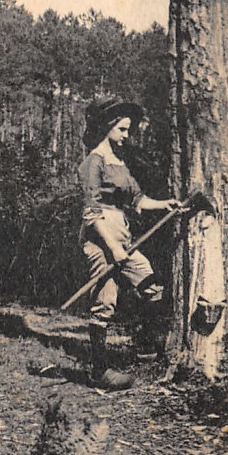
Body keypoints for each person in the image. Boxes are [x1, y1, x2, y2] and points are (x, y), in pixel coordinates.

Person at [78, 97, 180, 391]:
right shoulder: (92, 163)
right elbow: (91, 213)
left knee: (151, 286)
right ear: (107, 127)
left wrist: (165, 205)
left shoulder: (119, 162)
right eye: (122, 129)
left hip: (122, 236)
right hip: (100, 240)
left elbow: (137, 200)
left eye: (128, 130)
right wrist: (113, 249)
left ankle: (147, 349)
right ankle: (98, 371)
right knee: (104, 301)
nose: (126, 135)